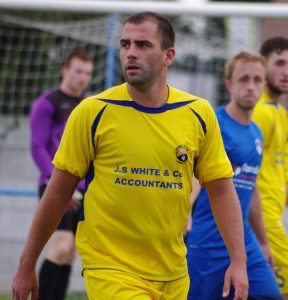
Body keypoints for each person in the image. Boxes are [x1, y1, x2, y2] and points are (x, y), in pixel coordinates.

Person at [12, 12, 248, 300]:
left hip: (172, 270)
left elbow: (222, 190)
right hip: (110, 266)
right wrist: (26, 263)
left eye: (143, 45)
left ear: (168, 55)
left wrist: (239, 261)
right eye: (125, 45)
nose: (131, 53)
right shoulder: (92, 112)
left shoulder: (198, 114)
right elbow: (57, 192)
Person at [186, 51, 282, 300]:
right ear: (229, 84)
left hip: (245, 242)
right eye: (243, 79)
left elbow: (252, 187)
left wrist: (263, 242)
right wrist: (185, 211)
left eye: (257, 80)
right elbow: (195, 177)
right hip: (207, 241)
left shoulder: (257, 132)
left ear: (263, 84)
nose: (250, 87)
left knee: (270, 295)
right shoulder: (214, 124)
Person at [29, 49, 94, 300]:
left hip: (84, 188)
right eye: (78, 71)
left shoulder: (89, 106)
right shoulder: (48, 103)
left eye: (87, 73)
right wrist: (56, 183)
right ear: (64, 70)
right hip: (55, 185)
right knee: (61, 246)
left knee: (70, 252)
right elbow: (37, 147)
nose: (82, 78)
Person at [252, 37, 288, 299]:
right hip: (261, 225)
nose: (286, 72)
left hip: (274, 221)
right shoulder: (259, 112)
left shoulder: (281, 114)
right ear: (262, 66)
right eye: (279, 63)